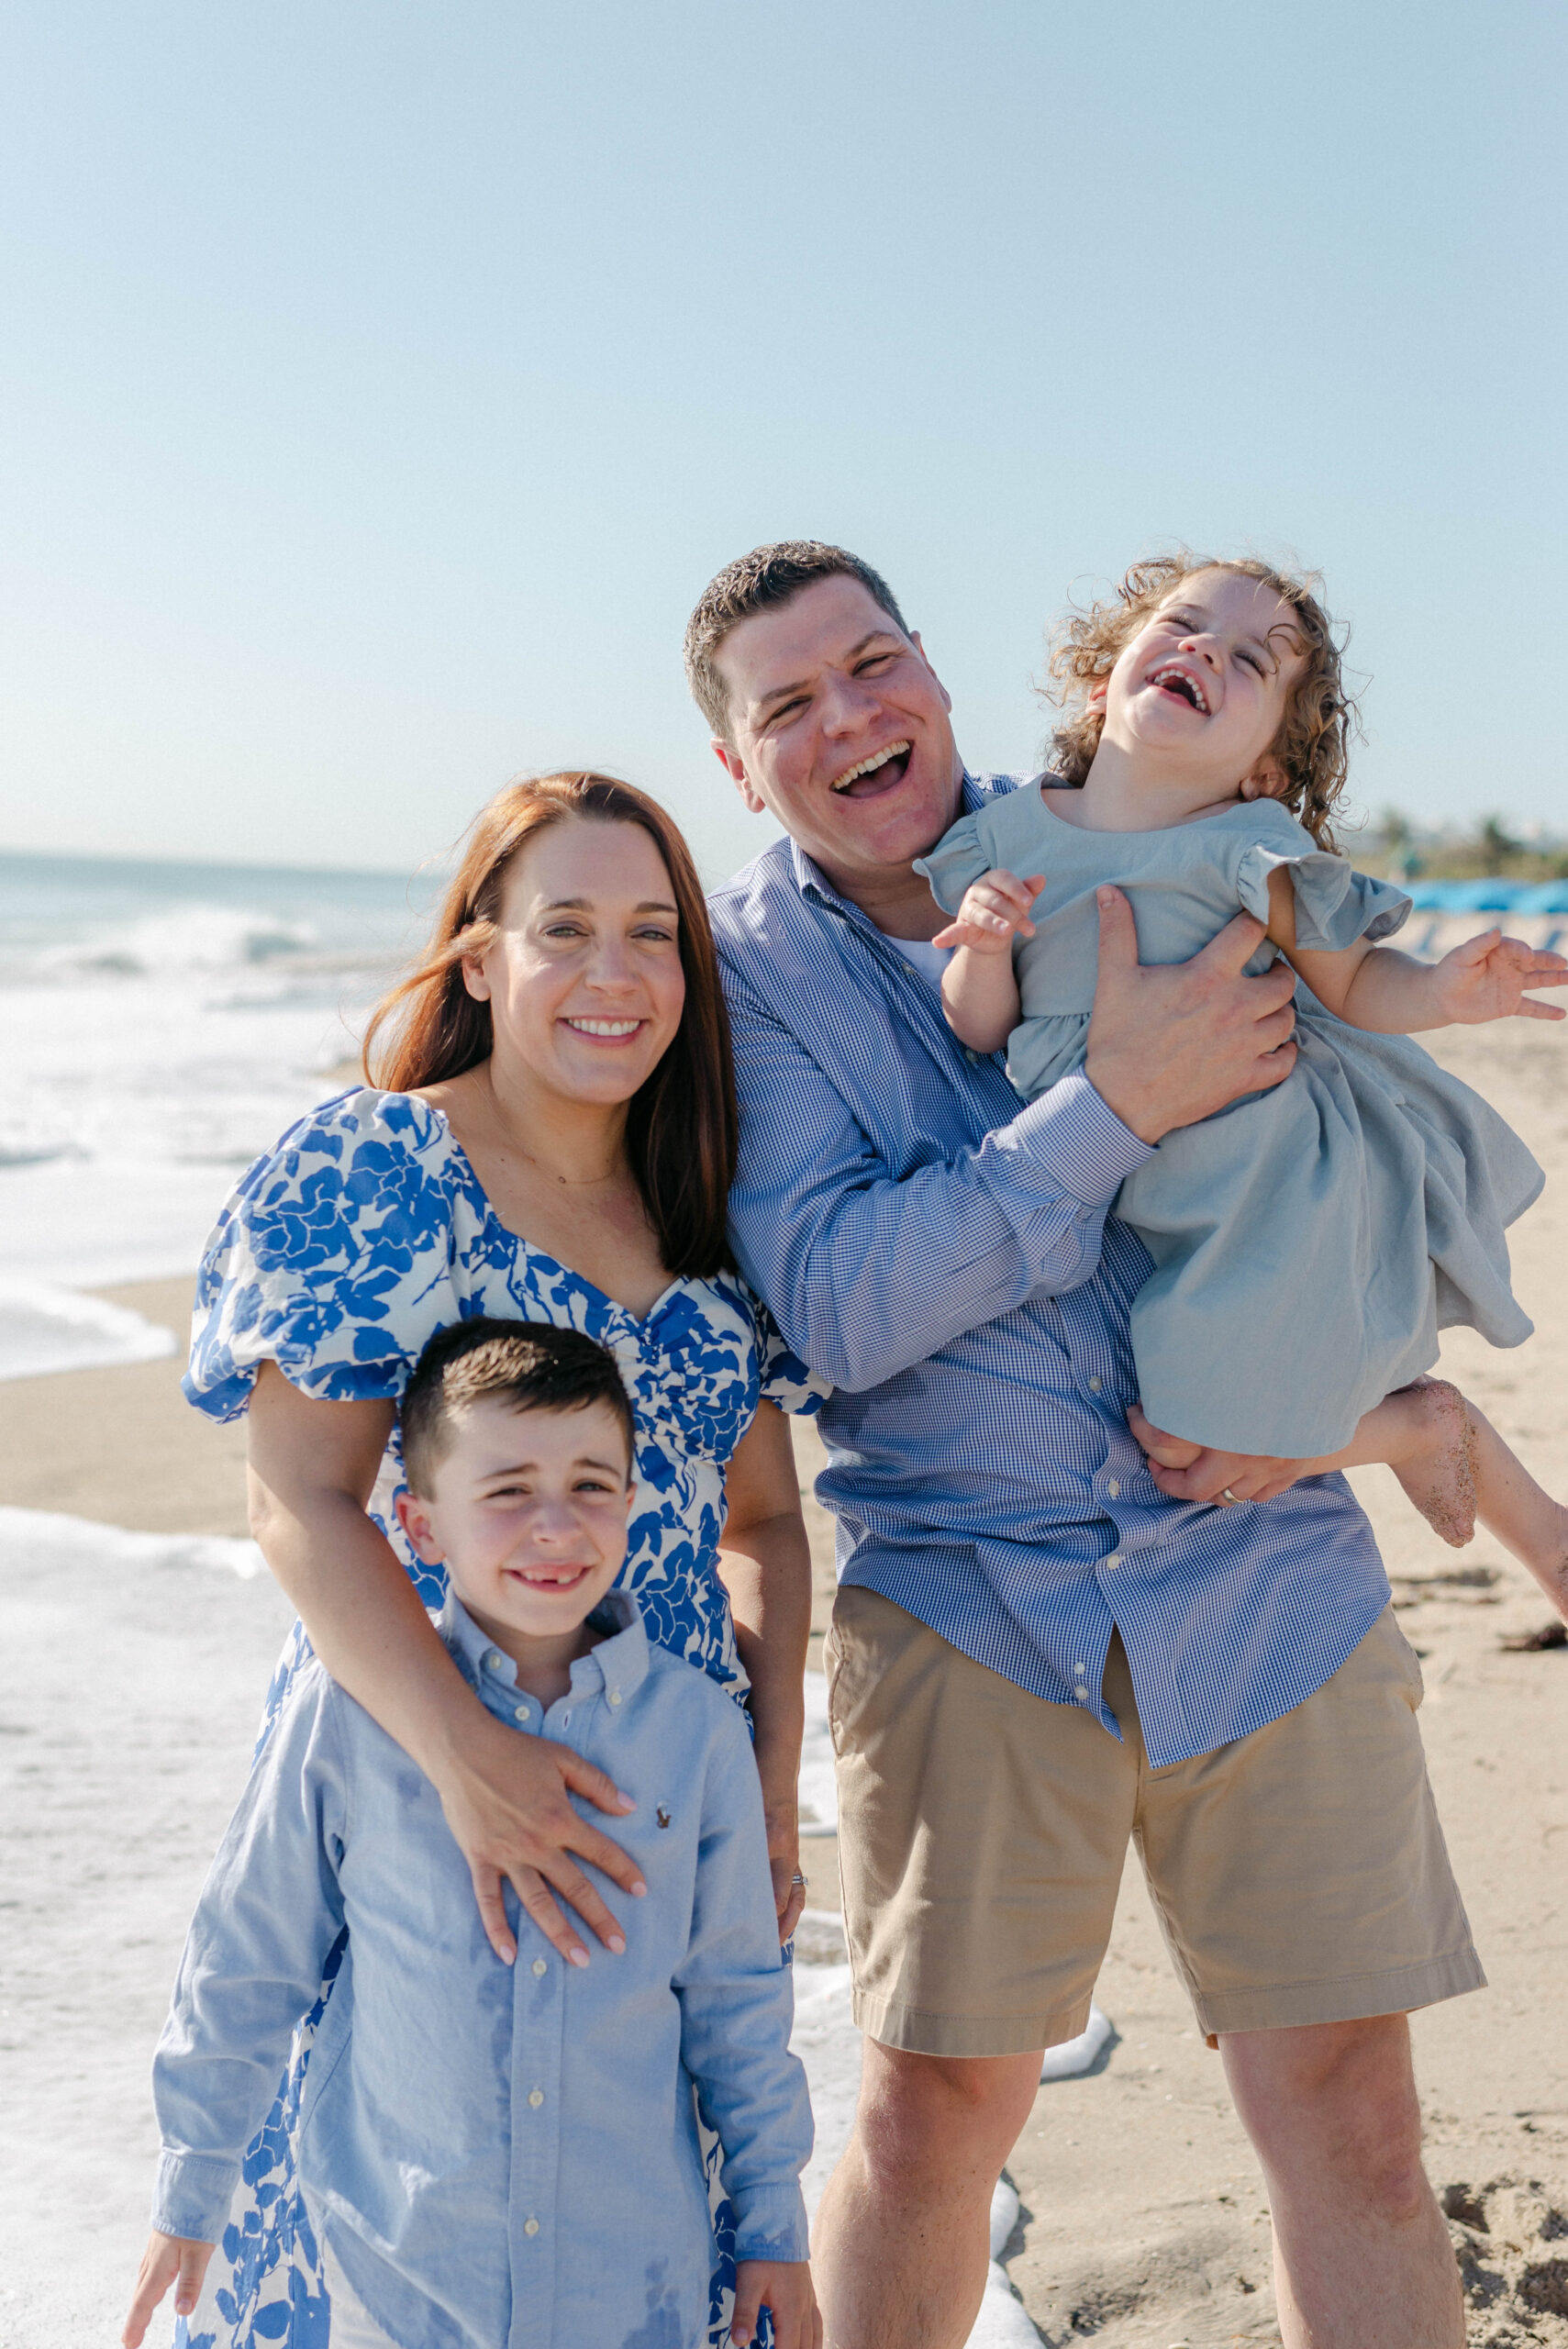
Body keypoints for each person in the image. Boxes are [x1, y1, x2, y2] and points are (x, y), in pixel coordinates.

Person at [686, 540, 1498, 2349]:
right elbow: (832, 1309)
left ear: (937, 675)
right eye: (787, 704)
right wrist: (1115, 1092)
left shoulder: (1135, 832)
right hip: (966, 1595)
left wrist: (1319, 1408)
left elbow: (1313, 1143)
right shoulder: (740, 986)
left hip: (1261, 1558)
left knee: (1349, 2122)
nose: (849, 716)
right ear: (739, 766)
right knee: (924, 2124)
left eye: (872, 661)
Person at [181, 773, 820, 2349]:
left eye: (653, 933)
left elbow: (762, 1523)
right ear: (478, 960)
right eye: (567, 930)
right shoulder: (381, 1167)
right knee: (397, 2216)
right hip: (411, 1777)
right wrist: (466, 1759)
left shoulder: (698, 1210)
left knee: (623, 2236)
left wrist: (762, 1762)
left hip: (649, 1798)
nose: (616, 975)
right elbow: (301, 1503)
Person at [123, 1319, 818, 2349]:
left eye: (591, 1484)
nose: (555, 1525)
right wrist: (191, 2189)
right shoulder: (351, 1715)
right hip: (400, 2281)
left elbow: (735, 2002)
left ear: (631, 1504)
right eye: (506, 1492)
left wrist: (771, 2223)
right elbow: (248, 1952)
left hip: (630, 2287)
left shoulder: (696, 1735)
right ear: (421, 1522)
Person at [915, 552, 1568, 1599]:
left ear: (1265, 766)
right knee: (1207, 1403)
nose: (1203, 652)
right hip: (1127, 1165)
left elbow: (1353, 983)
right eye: (1179, 626)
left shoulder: (1243, 846)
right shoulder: (1004, 837)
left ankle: (1436, 1440)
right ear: (1101, 677)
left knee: (1185, 1436)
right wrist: (983, 947)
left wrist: (1444, 990)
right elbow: (977, 1026)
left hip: (1258, 1176)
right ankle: (1473, 1469)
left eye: (1250, 661)